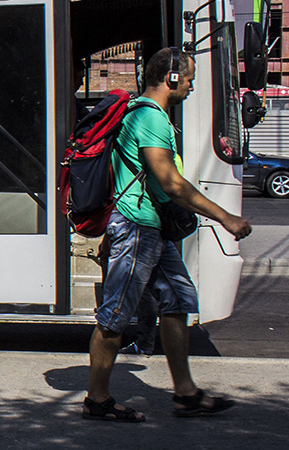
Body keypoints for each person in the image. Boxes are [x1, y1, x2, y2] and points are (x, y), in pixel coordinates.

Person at [83, 47, 252, 422]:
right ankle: (97, 400)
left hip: (152, 228)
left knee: (178, 299)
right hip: (136, 228)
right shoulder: (149, 118)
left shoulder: (149, 115)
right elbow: (171, 183)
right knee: (114, 315)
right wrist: (225, 217)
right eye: (189, 78)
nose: (191, 86)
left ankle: (186, 394)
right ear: (172, 78)